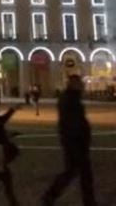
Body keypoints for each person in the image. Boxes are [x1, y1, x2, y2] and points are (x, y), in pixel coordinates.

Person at [41, 75, 95, 206]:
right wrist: (79, 138)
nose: (83, 85)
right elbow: (72, 122)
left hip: (75, 141)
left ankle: (88, 201)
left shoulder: (71, 97)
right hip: (75, 142)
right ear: (73, 84)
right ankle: (50, 196)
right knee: (75, 172)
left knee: (79, 173)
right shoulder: (70, 99)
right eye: (80, 83)